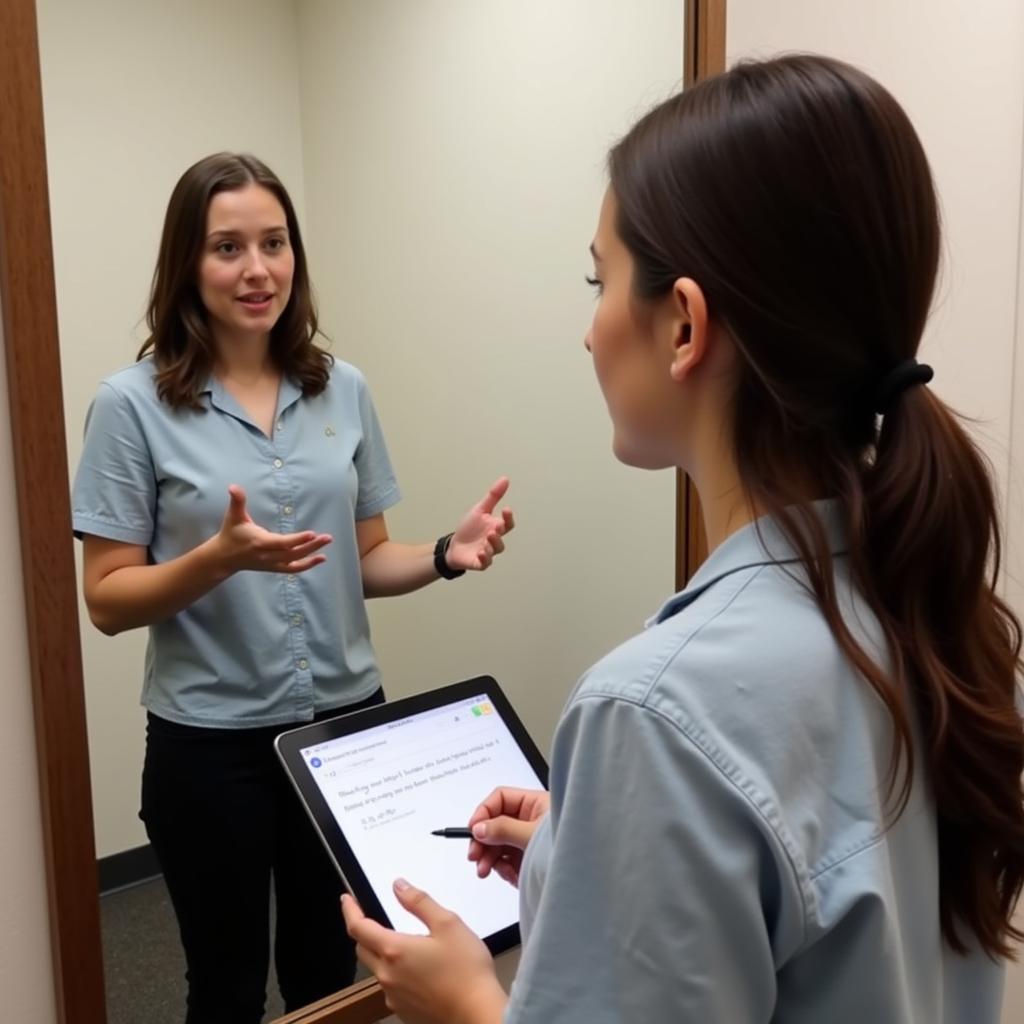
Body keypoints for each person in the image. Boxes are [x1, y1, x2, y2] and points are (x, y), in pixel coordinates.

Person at [341, 55, 1024, 1023]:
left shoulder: (657, 713)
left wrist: (466, 1007)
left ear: (683, 325)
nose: (587, 332)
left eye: (599, 278)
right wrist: (592, 854)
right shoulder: (944, 617)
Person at [71, 152, 515, 1024]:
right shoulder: (130, 405)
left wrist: (443, 555)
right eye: (227, 247)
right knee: (226, 985)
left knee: (333, 975)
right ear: (186, 265)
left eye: (274, 243)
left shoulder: (340, 388)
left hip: (345, 737)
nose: (257, 268)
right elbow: (106, 600)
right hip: (210, 750)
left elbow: (366, 558)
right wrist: (217, 559)